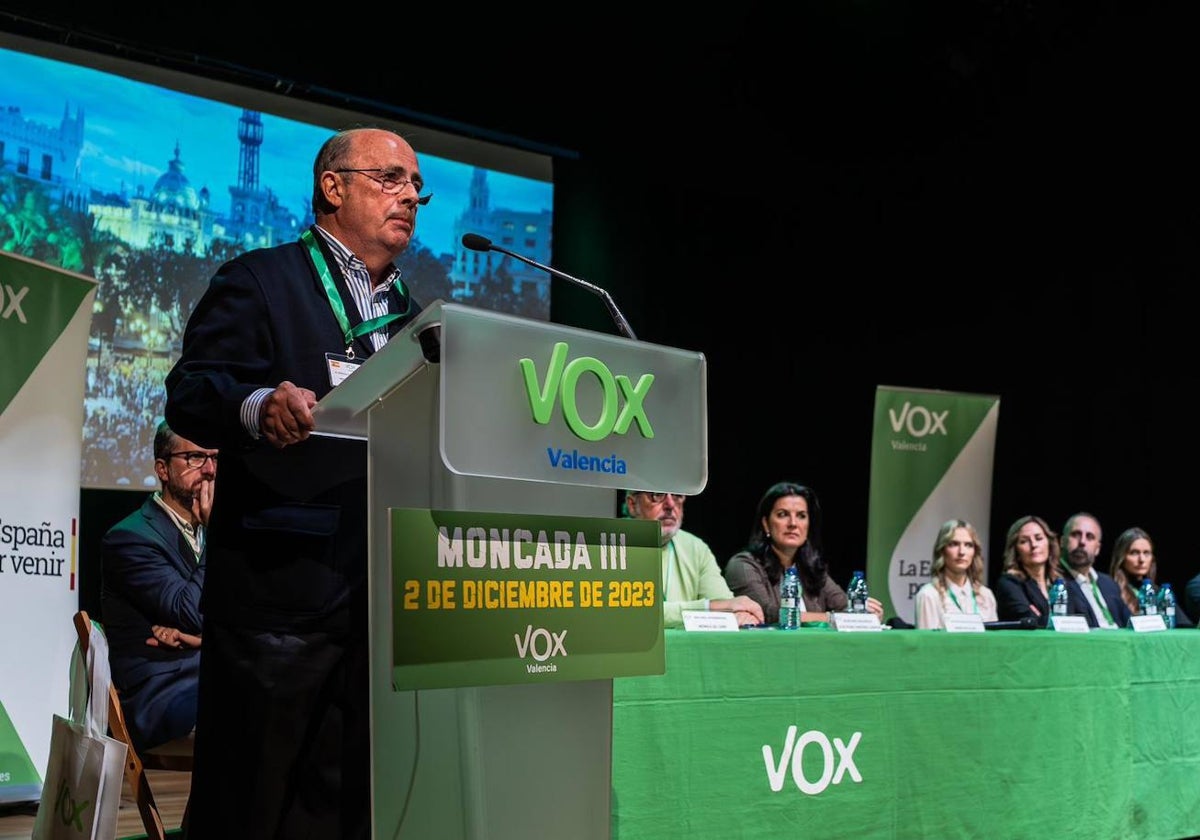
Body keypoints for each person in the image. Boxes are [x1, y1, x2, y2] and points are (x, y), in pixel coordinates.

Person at [163, 126, 428, 839]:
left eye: (416, 188)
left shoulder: (416, 320)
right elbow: (192, 390)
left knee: (343, 808)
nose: (409, 197)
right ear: (333, 186)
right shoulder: (261, 280)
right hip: (278, 603)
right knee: (252, 805)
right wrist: (257, 406)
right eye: (390, 179)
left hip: (382, 604)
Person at [100, 419, 212, 753]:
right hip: (162, 693)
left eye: (214, 458)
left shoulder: (207, 533)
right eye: (194, 458)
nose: (208, 469)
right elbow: (191, 612)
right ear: (162, 469)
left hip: (207, 676)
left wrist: (199, 640)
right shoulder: (130, 538)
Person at [724, 481, 883, 625]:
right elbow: (768, 614)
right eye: (782, 514)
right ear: (766, 524)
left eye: (801, 516)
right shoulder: (744, 565)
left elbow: (843, 605)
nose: (793, 523)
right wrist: (831, 618)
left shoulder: (811, 568)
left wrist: (864, 611)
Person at [623, 490, 763, 627]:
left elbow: (727, 605)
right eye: (657, 495)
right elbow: (629, 613)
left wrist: (738, 614)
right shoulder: (609, 543)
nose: (670, 504)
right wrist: (709, 608)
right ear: (632, 504)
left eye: (677, 495)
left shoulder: (695, 547)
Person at [912, 519, 998, 629]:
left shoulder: (986, 595)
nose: (962, 552)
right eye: (954, 544)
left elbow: (994, 641)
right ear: (942, 550)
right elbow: (925, 644)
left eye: (968, 545)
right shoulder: (928, 595)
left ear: (974, 552)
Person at [1057, 511, 1130, 629]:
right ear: (1062, 541)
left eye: (1089, 537)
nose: (1082, 542)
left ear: (1097, 548)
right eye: (1075, 534)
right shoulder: (1054, 581)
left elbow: (1129, 623)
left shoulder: (1109, 583)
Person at [1108, 526, 1193, 627]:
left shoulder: (1158, 593)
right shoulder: (1111, 590)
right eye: (1134, 553)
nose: (1141, 559)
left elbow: (1184, 625)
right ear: (1121, 557)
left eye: (1146, 553)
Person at [994, 514, 1061, 626]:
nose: (1034, 545)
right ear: (1016, 551)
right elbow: (1029, 620)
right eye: (1024, 541)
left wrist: (1041, 617)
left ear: (1049, 543)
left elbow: (1077, 619)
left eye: (1038, 538)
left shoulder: (1060, 582)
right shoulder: (1009, 583)